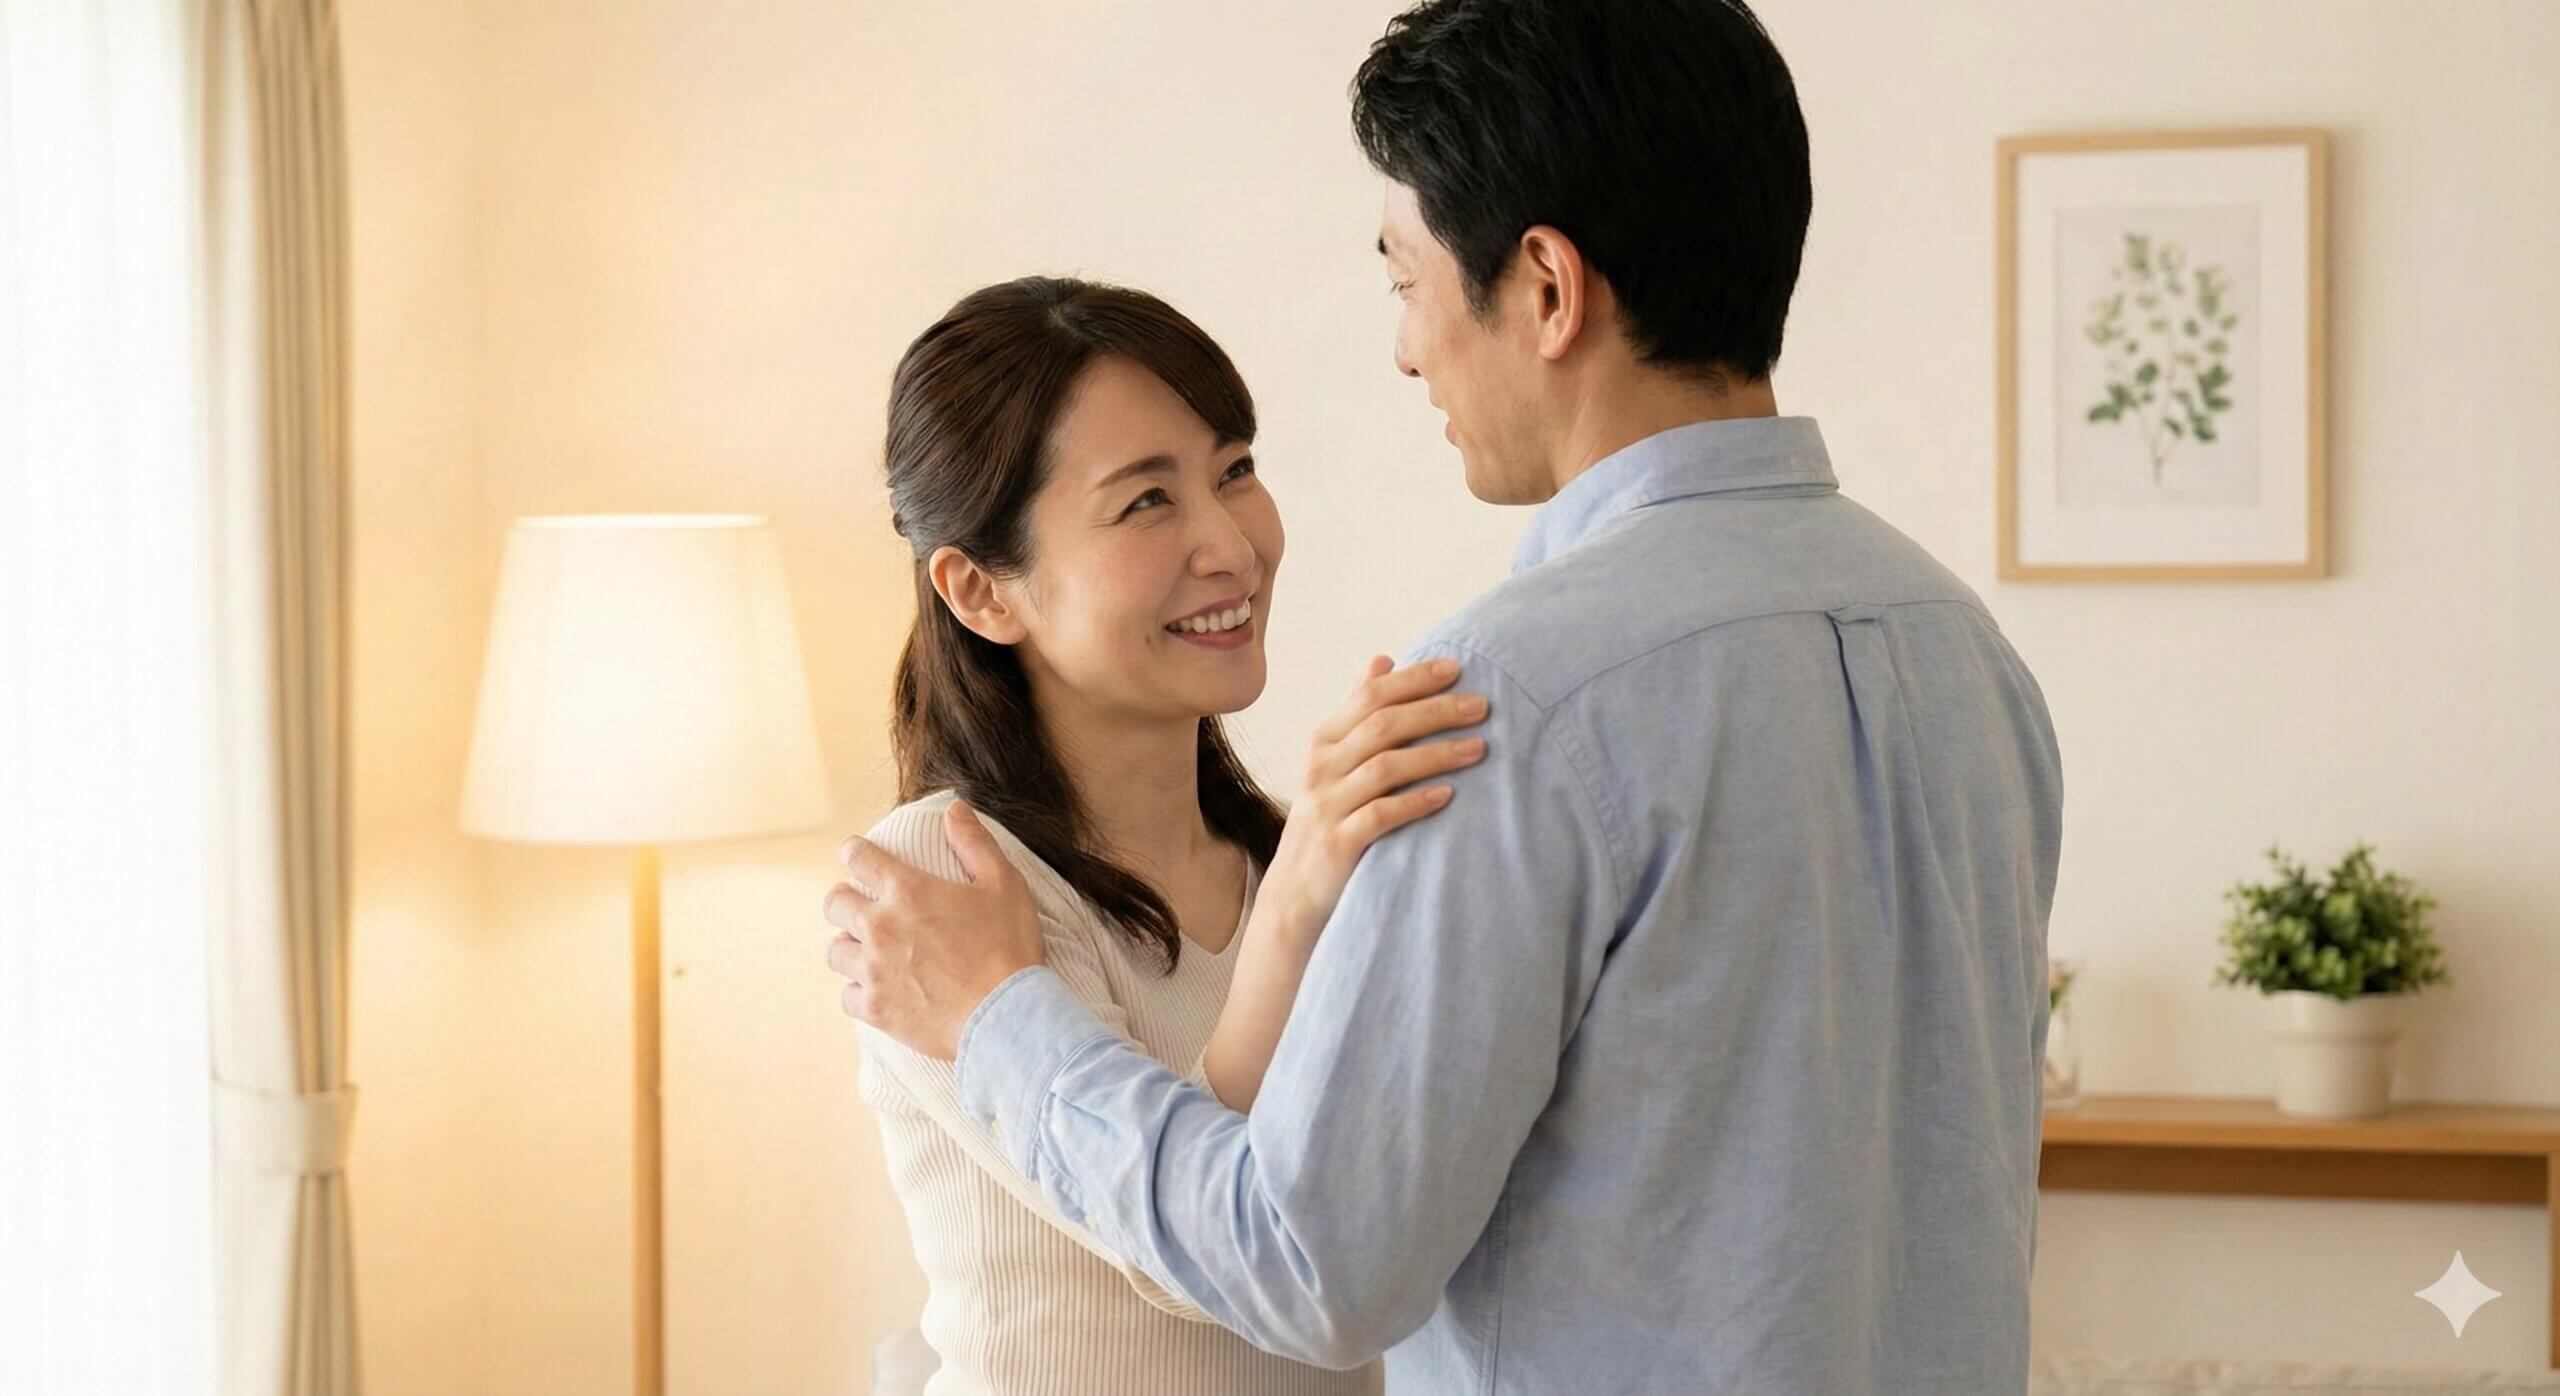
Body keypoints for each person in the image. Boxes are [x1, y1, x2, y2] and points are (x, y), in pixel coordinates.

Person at [827, 1, 2065, 1392]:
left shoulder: (1509, 704)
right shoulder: (1967, 659)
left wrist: (1004, 1022)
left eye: (1406, 283)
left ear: (1544, 287)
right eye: (1146, 498)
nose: (1406, 352)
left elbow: (1311, 1265)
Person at [843, 273, 1496, 1396]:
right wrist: (1299, 901)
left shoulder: (1294, 855)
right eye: (1147, 501)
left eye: (1233, 471)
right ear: (980, 590)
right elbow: (1201, 1249)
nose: (1231, 545)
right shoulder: (938, 880)